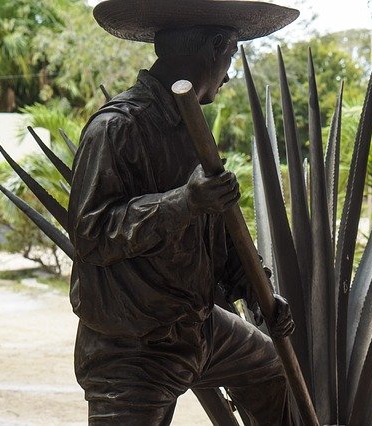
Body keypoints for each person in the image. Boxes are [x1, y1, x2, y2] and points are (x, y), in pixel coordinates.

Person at [68, 0, 300, 424]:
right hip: (132, 347)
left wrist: (254, 288)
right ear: (213, 47)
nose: (229, 74)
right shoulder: (118, 127)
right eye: (230, 56)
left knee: (268, 367)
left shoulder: (188, 123)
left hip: (196, 328)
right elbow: (91, 233)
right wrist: (185, 202)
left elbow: (216, 228)